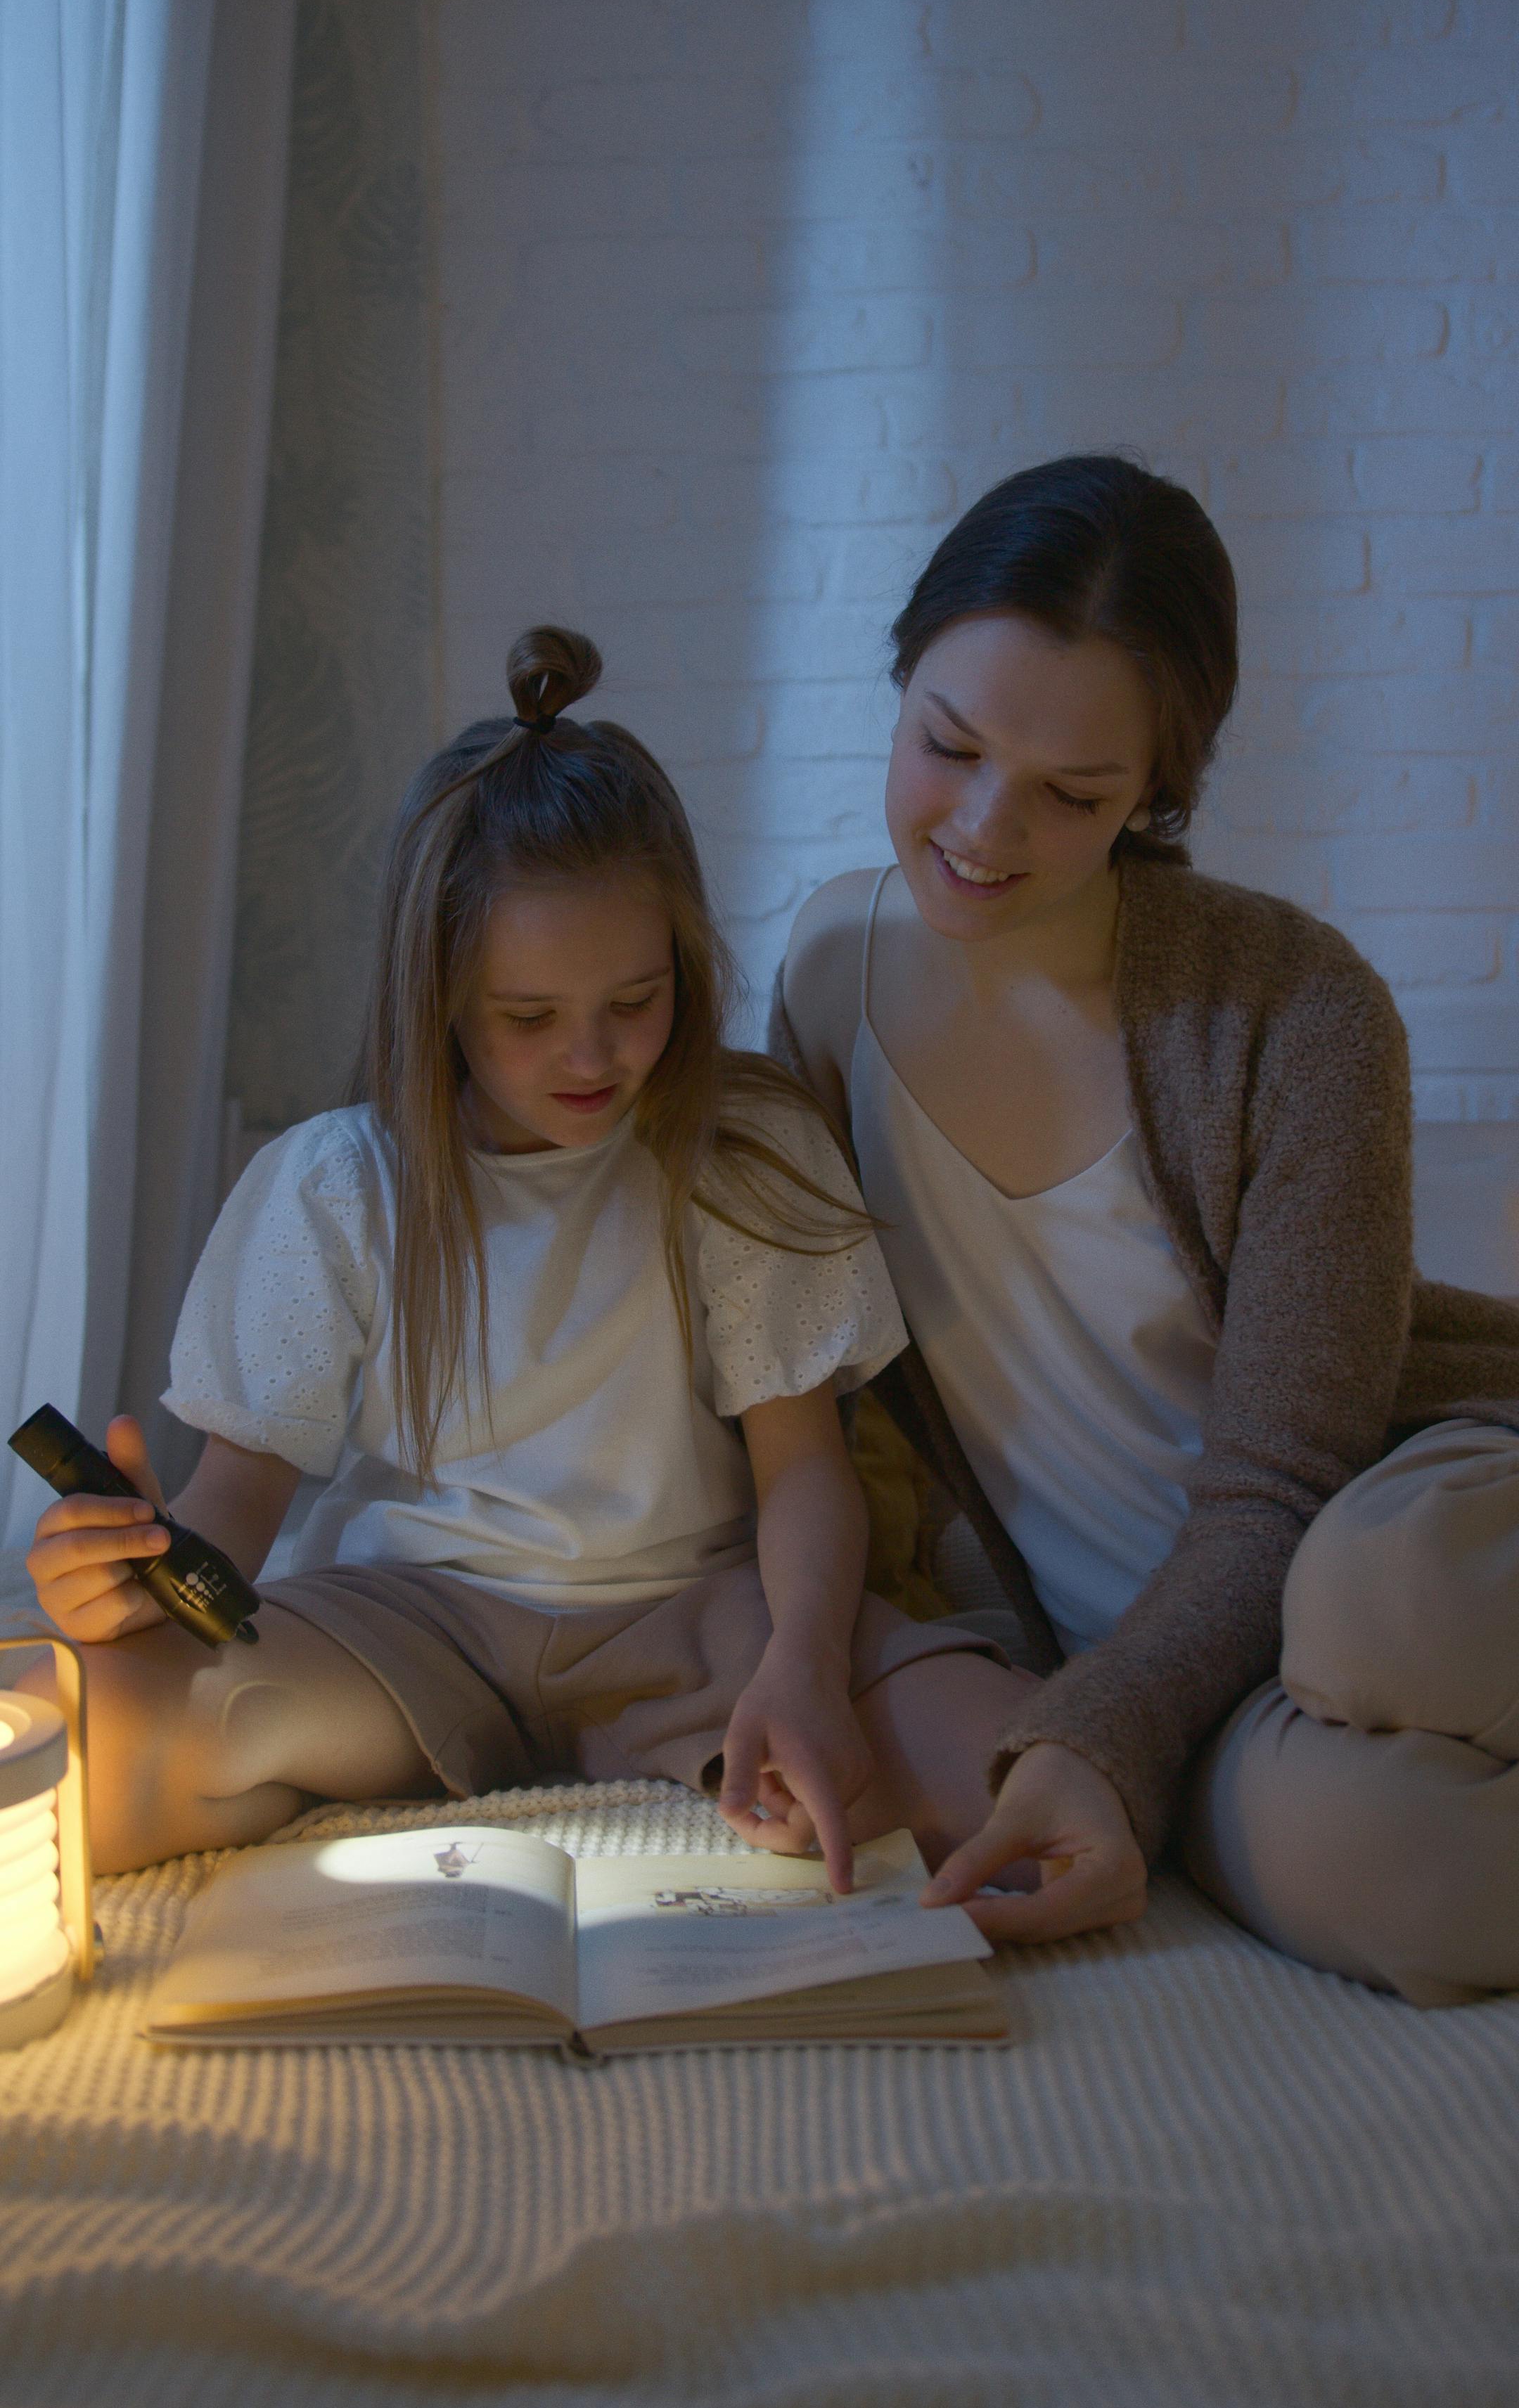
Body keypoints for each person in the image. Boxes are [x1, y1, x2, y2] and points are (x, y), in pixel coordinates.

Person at [26, 629, 1040, 1884]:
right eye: (529, 1019)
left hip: (698, 1614)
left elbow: (804, 1475)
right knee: (80, 1747)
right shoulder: (338, 1184)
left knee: (1013, 1762)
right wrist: (131, 1591)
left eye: (637, 1001)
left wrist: (803, 1666)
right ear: (441, 994)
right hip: (406, 1624)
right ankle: (340, 1752)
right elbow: (233, 1510)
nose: (593, 1058)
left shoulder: (742, 1146)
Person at [775, 455, 1519, 2008]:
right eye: (947, 745)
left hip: (1374, 1520)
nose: (984, 828)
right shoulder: (828, 972)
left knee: (1384, 1606)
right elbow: (791, 1385)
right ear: (901, 675)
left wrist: (1101, 1728)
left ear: (1159, 792)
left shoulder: (1298, 1011)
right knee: (1397, 1881)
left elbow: (1283, 1483)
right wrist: (1093, 1733)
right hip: (1192, 1677)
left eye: (1075, 796)